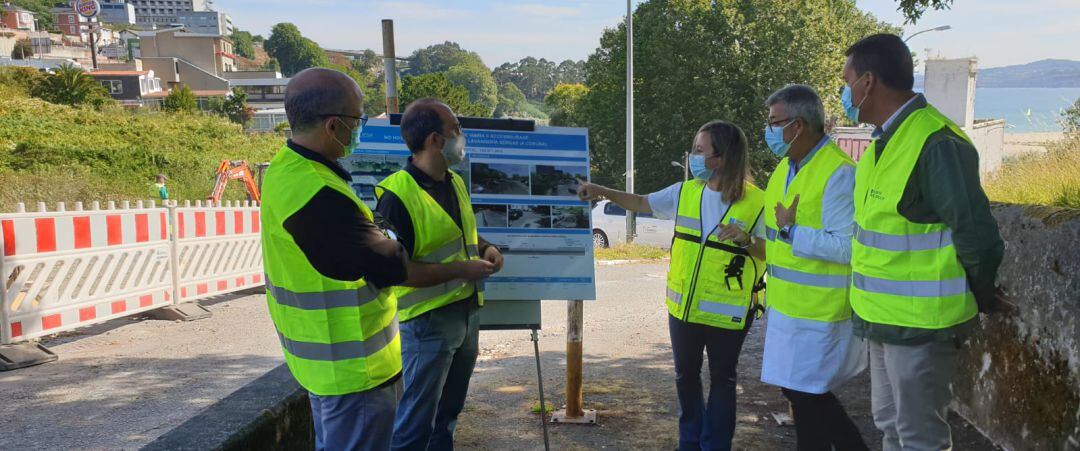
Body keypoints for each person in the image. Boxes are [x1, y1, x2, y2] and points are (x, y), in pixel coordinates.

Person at [841, 34, 1007, 450]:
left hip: (921, 325)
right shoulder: (884, 141)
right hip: (881, 321)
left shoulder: (936, 142)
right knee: (890, 426)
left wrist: (983, 294)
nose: (844, 92)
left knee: (919, 437)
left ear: (868, 82)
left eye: (846, 81)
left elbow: (976, 234)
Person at [578, 120, 766, 451]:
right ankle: (689, 443)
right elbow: (639, 202)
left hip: (729, 312)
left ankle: (715, 445)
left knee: (723, 380)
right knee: (685, 378)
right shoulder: (685, 192)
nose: (692, 157)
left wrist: (748, 240)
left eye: (698, 150)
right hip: (683, 310)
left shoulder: (758, 203)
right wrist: (602, 191)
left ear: (720, 158)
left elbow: (776, 252)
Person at [261, 67, 411, 451]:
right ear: (333, 126)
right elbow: (391, 263)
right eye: (358, 119)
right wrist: (390, 236)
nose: (359, 127)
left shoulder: (290, 167)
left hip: (328, 367)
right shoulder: (315, 191)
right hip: (355, 373)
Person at [376, 98, 503, 451]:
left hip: (465, 315)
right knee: (416, 424)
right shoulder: (396, 196)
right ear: (434, 139)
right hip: (426, 324)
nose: (461, 136)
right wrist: (464, 269)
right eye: (456, 129)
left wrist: (485, 248)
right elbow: (397, 273)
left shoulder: (454, 182)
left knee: (447, 416)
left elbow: (462, 236)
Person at [759, 84, 868, 450]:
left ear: (799, 125)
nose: (769, 130)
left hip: (820, 313)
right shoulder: (785, 168)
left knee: (808, 397)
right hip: (788, 308)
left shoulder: (839, 172)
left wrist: (793, 230)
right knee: (800, 396)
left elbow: (849, 248)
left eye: (775, 122)